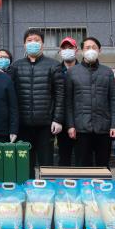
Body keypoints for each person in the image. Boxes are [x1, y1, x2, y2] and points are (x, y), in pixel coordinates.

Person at [10, 29, 63, 169]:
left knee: (47, 164)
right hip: (23, 124)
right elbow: (11, 96)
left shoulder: (53, 65)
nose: (33, 43)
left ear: (42, 44)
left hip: (45, 124)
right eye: (29, 40)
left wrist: (57, 119)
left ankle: (47, 184)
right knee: (25, 165)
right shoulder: (16, 66)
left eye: (37, 40)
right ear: (24, 44)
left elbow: (60, 94)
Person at [65, 37, 115, 168]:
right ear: (81, 51)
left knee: (103, 166)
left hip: (103, 127)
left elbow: (114, 100)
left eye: (94, 47)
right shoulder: (72, 72)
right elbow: (68, 102)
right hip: (81, 128)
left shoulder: (107, 72)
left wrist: (114, 125)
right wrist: (70, 125)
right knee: (83, 166)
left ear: (99, 50)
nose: (91, 50)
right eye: (87, 47)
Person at [52, 37, 78, 166]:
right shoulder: (55, 70)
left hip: (79, 120)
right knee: (64, 157)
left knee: (82, 158)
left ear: (76, 50)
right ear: (60, 51)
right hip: (61, 121)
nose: (67, 50)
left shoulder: (83, 69)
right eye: (64, 48)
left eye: (70, 48)